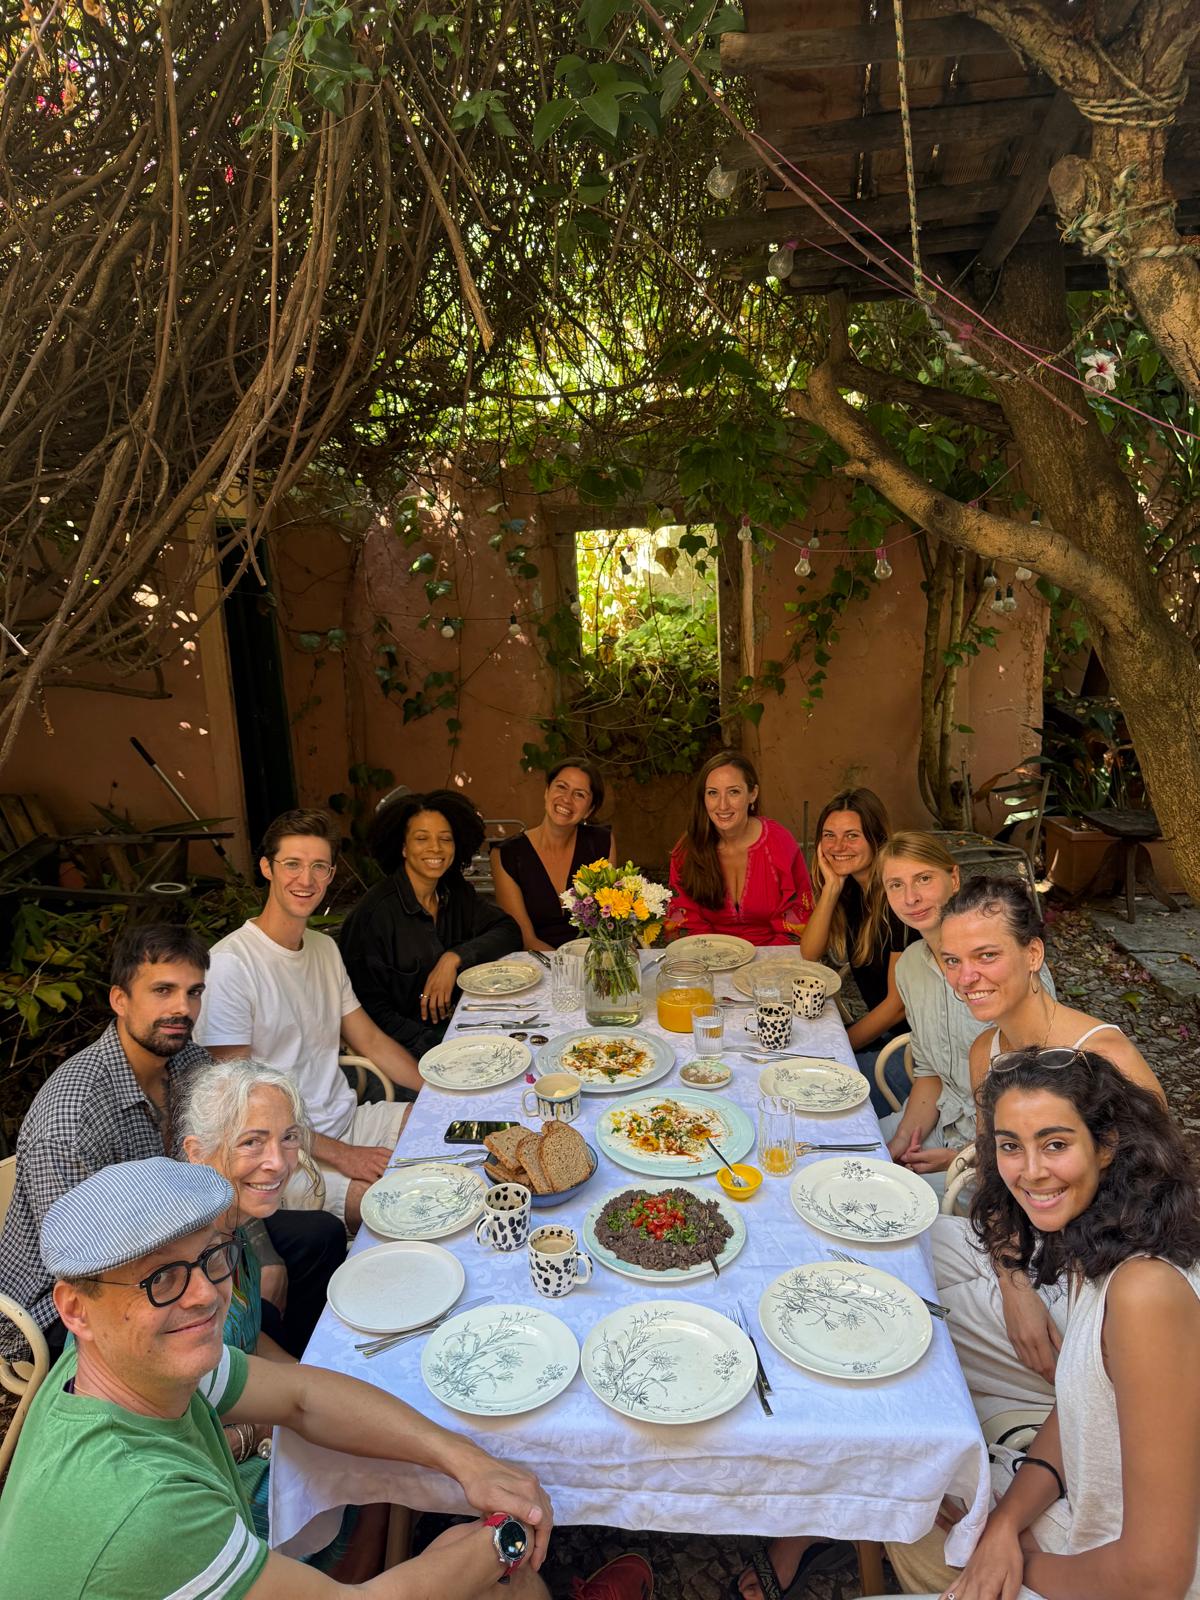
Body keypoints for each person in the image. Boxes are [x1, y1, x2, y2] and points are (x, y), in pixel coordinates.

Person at [0, 1155, 561, 1599]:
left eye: (211, 1258)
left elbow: (302, 1395)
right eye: (161, 1278)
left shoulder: (119, 1361)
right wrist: (504, 1537)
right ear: (75, 1309)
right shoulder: (144, 1507)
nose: (203, 1296)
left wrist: (468, 1460)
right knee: (499, 1583)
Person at [895, 1049, 1200, 1600]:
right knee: (912, 1498)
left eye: (1055, 1144)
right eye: (1011, 1146)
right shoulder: (1100, 1237)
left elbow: (1156, 1579)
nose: (1030, 1171)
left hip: (1114, 1573)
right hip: (1083, 1526)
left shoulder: (1145, 1292)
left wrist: (1016, 1560)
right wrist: (1006, 1524)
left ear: (1106, 1146)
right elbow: (1076, 1406)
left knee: (909, 1521)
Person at [930, 875, 1164, 1422]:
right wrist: (1014, 1283)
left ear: (1032, 953)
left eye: (986, 955)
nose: (967, 978)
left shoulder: (1102, 1056)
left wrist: (1037, 1294)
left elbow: (1156, 1217)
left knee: (925, 1319)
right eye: (952, 961)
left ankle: (1056, 1418)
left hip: (1099, 1279)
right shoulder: (984, 1051)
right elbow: (999, 1179)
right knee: (902, 1247)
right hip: (1026, 1250)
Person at [176, 1057, 362, 1572]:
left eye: (288, 1138)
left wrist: (321, 1383)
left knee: (359, 1428)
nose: (278, 1162)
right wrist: (268, 1426)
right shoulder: (179, 1265)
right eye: (251, 1142)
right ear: (198, 1154)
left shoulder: (233, 1232)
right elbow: (178, 1417)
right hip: (199, 1476)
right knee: (344, 1463)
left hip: (240, 1420)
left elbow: (250, 1342)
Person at [196, 808, 422, 1231]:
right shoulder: (230, 965)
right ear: (267, 867)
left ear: (331, 874)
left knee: (450, 1129)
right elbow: (241, 1106)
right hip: (282, 1157)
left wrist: (435, 1094)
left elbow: (369, 1040)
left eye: (319, 867)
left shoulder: (322, 948)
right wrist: (344, 1156)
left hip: (349, 1120)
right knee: (410, 1206)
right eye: (293, 865)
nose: (306, 880)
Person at [0, 922, 211, 1362]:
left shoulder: (189, 1060)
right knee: (220, 1322)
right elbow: (84, 1264)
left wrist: (259, 1256)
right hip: (63, 1307)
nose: (182, 1008)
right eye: (163, 991)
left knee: (314, 1238)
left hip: (171, 1253)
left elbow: (227, 1163)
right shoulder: (72, 1117)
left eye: (193, 992)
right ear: (120, 1000)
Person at [876, 835, 1056, 1197]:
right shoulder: (911, 965)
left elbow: (1041, 1097)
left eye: (924, 879)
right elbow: (928, 1073)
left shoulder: (1005, 968)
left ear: (954, 879)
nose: (911, 898)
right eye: (896, 885)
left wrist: (961, 1157)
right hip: (939, 1119)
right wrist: (900, 1142)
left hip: (1006, 1152)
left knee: (876, 1201)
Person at [339, 790, 522, 1056]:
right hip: (403, 1051)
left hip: (461, 1027)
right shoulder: (374, 915)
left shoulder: (452, 891)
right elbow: (367, 1011)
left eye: (445, 839)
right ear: (402, 847)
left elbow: (508, 930)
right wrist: (439, 1046)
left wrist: (453, 958)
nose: (435, 848)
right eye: (421, 838)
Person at [799, 788, 909, 1110]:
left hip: (914, 1052)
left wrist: (839, 1046)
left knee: (815, 1094)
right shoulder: (853, 889)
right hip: (886, 1037)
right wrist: (832, 887)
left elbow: (897, 1006)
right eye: (829, 836)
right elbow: (809, 952)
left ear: (876, 839)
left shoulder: (897, 898)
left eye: (852, 836)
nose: (838, 847)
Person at [667, 750, 813, 946]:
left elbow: (797, 925)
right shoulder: (687, 850)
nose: (723, 805)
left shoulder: (780, 844)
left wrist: (759, 970)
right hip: (707, 959)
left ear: (752, 794)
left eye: (733, 792)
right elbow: (684, 924)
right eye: (713, 793)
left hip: (773, 960)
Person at [492, 761, 616, 950]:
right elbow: (525, 939)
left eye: (579, 794)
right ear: (547, 791)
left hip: (593, 960)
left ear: (589, 810)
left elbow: (610, 922)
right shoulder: (506, 854)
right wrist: (567, 971)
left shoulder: (602, 843)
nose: (566, 799)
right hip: (537, 964)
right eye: (561, 787)